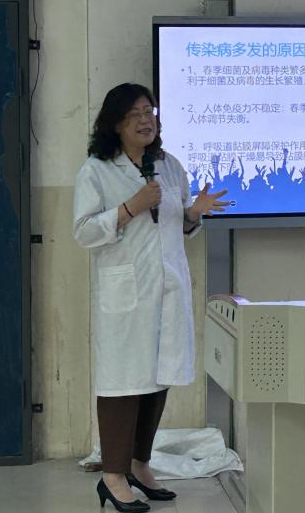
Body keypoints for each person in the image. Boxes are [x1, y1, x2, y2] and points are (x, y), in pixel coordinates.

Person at [73, 83, 229, 512]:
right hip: (126, 294)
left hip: (168, 290)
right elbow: (83, 232)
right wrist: (130, 207)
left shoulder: (169, 165)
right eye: (135, 114)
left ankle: (140, 465)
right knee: (123, 383)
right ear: (115, 124)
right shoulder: (96, 170)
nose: (146, 121)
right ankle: (112, 476)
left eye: (150, 112)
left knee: (159, 379)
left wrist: (193, 214)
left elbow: (175, 224)